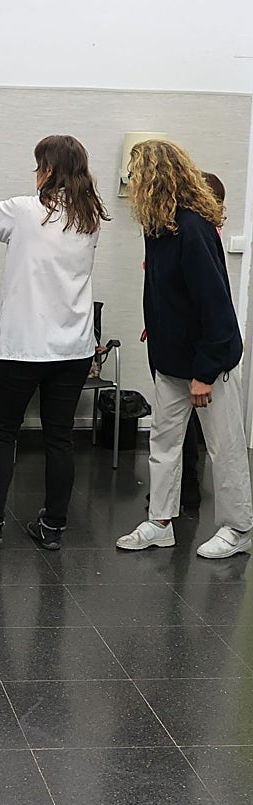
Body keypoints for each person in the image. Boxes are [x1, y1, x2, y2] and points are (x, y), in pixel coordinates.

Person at [0, 136, 109, 551]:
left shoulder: (24, 211)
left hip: (24, 348)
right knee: (60, 437)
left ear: (50, 170)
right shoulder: (88, 219)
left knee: (3, 433)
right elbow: (8, 214)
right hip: (73, 349)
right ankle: (52, 527)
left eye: (39, 165)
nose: (36, 172)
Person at [116, 142, 252, 558]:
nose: (131, 182)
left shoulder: (192, 229)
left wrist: (205, 371)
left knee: (223, 447)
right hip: (171, 363)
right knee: (164, 442)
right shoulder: (159, 228)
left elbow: (217, 308)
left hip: (207, 365)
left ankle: (238, 528)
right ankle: (160, 521)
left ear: (155, 178)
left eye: (136, 174)